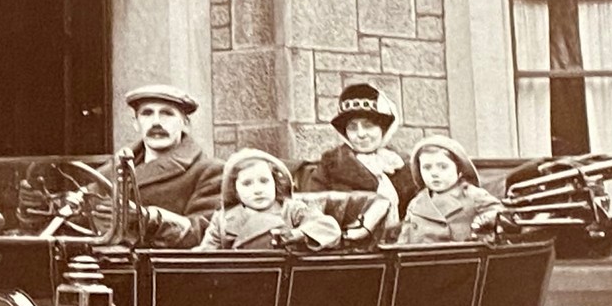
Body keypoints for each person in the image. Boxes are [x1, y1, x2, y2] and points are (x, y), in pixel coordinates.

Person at [113, 82, 222, 248]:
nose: (156, 122)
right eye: (147, 113)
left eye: (167, 114)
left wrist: (151, 219)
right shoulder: (114, 169)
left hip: (166, 269)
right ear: (136, 123)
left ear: (185, 123)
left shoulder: (210, 171)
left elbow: (205, 232)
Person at [296, 81, 415, 218]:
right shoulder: (330, 167)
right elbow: (314, 214)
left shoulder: (402, 166)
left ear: (383, 128)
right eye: (352, 127)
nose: (361, 134)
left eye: (368, 125)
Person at [196, 149, 343, 251]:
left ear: (275, 183)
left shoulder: (292, 210)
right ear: (235, 190)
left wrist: (297, 234)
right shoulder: (223, 219)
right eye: (247, 184)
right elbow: (206, 254)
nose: (258, 189)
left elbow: (329, 228)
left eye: (264, 181)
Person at [397, 134, 506, 244]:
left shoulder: (472, 195)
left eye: (443, 167)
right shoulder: (416, 204)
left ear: (459, 169)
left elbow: (501, 213)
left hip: (460, 258)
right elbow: (404, 241)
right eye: (427, 167)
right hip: (422, 259)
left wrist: (485, 221)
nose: (434, 173)